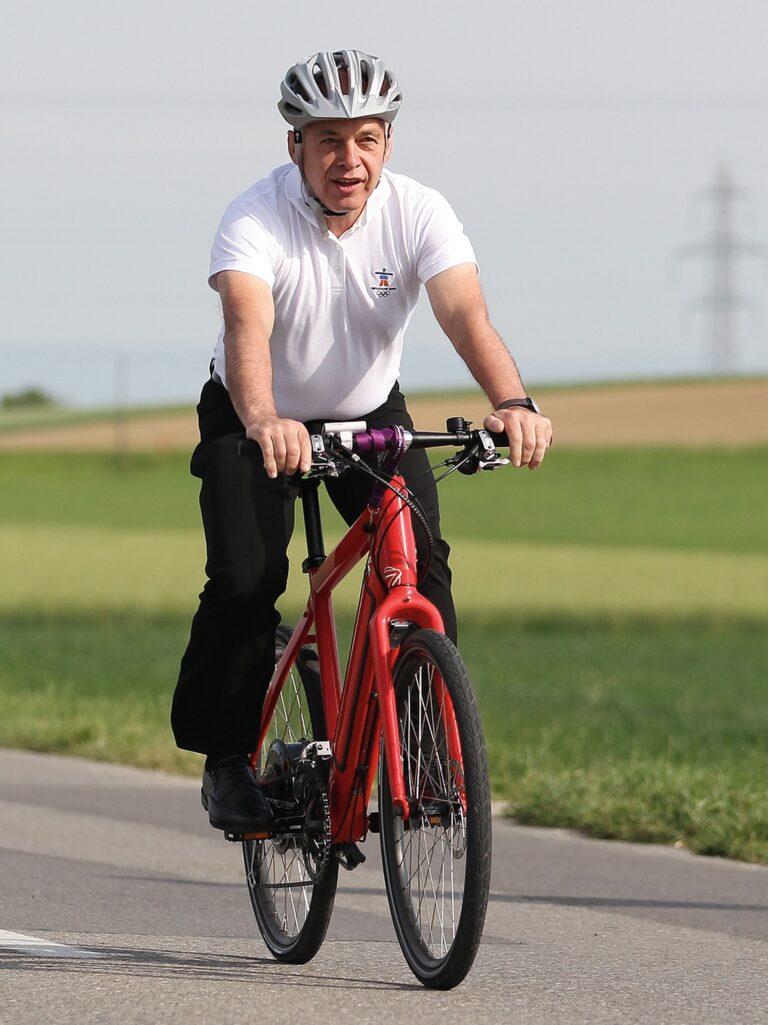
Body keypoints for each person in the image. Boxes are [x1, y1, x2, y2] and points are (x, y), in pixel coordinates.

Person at [171, 49, 553, 833]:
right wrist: (265, 418)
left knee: (421, 563)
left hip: (368, 414)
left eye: (367, 140)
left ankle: (422, 753)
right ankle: (226, 760)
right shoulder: (253, 217)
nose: (349, 160)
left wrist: (511, 402)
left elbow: (465, 317)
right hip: (255, 414)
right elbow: (247, 326)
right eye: (329, 141)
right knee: (247, 577)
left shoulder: (419, 211)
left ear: (387, 144)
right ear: (296, 148)